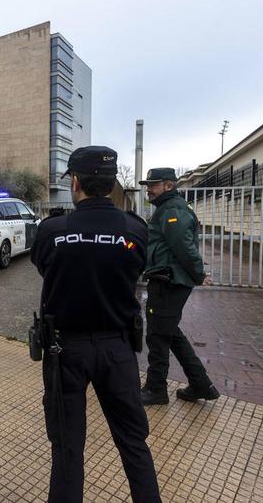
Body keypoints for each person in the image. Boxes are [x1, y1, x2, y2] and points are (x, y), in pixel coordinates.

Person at [31, 146, 161, 503]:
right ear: (111, 182)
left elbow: (45, 269)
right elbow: (137, 270)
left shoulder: (51, 230)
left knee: (68, 448)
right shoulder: (135, 229)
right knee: (133, 443)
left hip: (65, 351)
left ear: (75, 182)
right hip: (117, 350)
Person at [138, 168, 220, 405]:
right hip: (168, 279)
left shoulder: (172, 209)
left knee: (158, 336)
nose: (148, 190)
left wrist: (199, 273)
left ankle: (156, 389)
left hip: (168, 282)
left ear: (168, 186)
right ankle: (201, 385)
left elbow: (182, 245)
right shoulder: (169, 208)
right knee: (170, 332)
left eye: (152, 185)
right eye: (147, 185)